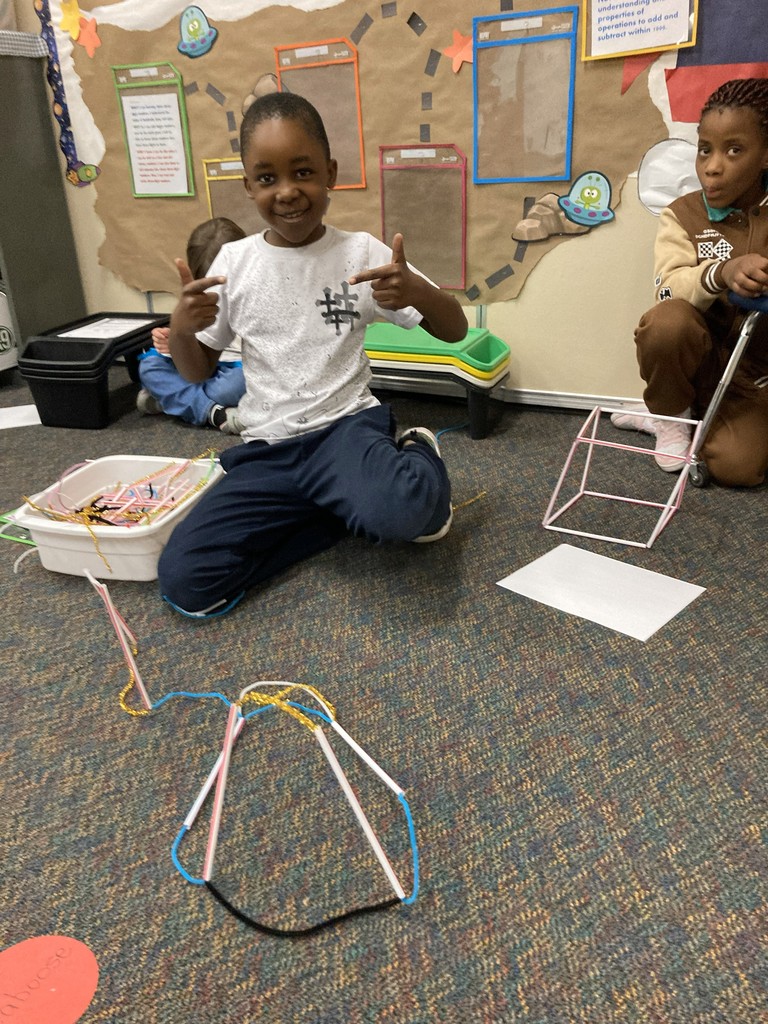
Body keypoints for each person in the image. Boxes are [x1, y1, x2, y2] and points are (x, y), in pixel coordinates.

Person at [157, 92, 468, 617]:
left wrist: (419, 292)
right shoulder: (233, 262)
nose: (287, 192)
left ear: (330, 174)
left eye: (302, 172)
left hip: (345, 432)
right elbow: (196, 372)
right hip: (267, 449)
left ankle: (418, 451)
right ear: (248, 186)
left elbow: (455, 331)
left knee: (407, 514)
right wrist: (182, 330)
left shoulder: (361, 253)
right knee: (188, 582)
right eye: (267, 178)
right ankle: (328, 514)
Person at [612, 77, 768, 486]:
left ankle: (677, 414)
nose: (712, 166)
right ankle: (669, 416)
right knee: (666, 321)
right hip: (698, 358)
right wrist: (721, 272)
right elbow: (668, 288)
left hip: (752, 375)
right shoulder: (682, 215)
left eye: (734, 150)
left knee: (737, 469)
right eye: (705, 149)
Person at [136, 217, 247, 434]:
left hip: (233, 369)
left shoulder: (254, 293)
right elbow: (191, 341)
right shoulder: (195, 298)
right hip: (197, 367)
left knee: (236, 385)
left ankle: (171, 400)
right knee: (149, 367)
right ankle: (213, 412)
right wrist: (174, 340)